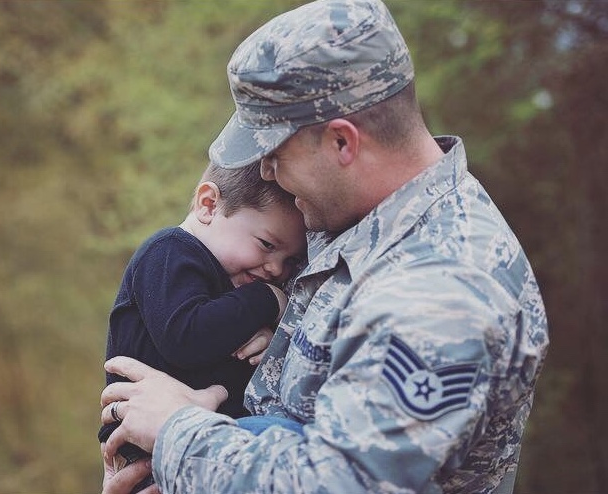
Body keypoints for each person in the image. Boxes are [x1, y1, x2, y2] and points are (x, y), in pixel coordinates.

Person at [99, 0, 550, 493]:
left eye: (274, 155)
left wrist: (175, 431)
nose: (265, 173)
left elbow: (343, 482)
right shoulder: (342, 216)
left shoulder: (441, 289)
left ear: (342, 143)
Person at [98, 161, 307, 490]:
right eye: (267, 245)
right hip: (146, 455)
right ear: (208, 204)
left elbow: (218, 363)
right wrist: (268, 300)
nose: (276, 269)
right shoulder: (168, 252)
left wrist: (264, 337)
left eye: (291, 261)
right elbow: (186, 338)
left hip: (196, 449)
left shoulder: (227, 284)